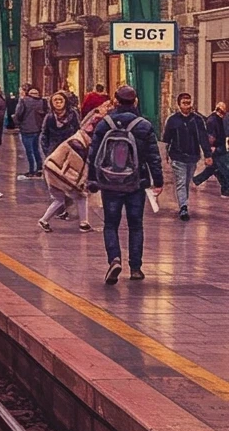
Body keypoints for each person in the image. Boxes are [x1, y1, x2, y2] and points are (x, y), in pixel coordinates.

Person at [87, 85, 163, 284]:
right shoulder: (143, 125)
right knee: (135, 225)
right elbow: (154, 156)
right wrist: (158, 181)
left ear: (116, 101)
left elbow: (93, 153)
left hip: (110, 183)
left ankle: (114, 259)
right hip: (135, 182)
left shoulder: (105, 124)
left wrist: (92, 179)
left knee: (110, 224)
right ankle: (136, 268)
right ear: (135, 101)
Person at [39, 104, 111, 233]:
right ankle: (84, 223)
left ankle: (44, 220)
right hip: (58, 171)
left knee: (59, 199)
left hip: (52, 168)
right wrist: (81, 182)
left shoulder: (79, 139)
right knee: (81, 195)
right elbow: (77, 166)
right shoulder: (79, 144)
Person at [161, 92, 211, 221]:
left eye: (189, 103)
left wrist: (207, 155)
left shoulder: (197, 120)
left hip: (192, 157)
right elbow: (167, 139)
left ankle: (184, 203)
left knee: (187, 182)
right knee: (181, 182)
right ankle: (183, 207)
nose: (187, 106)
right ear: (178, 105)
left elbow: (203, 138)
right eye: (184, 103)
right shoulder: (172, 120)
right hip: (177, 157)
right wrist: (165, 155)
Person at [193, 102, 228, 197]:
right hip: (217, 149)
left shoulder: (217, 119)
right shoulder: (213, 120)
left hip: (219, 148)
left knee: (215, 169)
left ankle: (196, 180)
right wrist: (210, 150)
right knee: (223, 169)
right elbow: (210, 137)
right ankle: (225, 190)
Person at [13, 86, 46, 178]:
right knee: (36, 149)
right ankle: (39, 169)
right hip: (37, 129)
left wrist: (17, 122)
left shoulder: (24, 101)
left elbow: (18, 113)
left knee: (29, 150)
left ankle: (31, 170)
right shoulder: (42, 102)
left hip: (26, 128)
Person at [41, 92, 80, 159]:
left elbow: (78, 131)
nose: (58, 102)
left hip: (70, 151)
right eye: (55, 100)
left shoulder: (72, 114)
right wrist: (47, 152)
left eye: (60, 100)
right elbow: (44, 135)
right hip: (54, 151)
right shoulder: (49, 117)